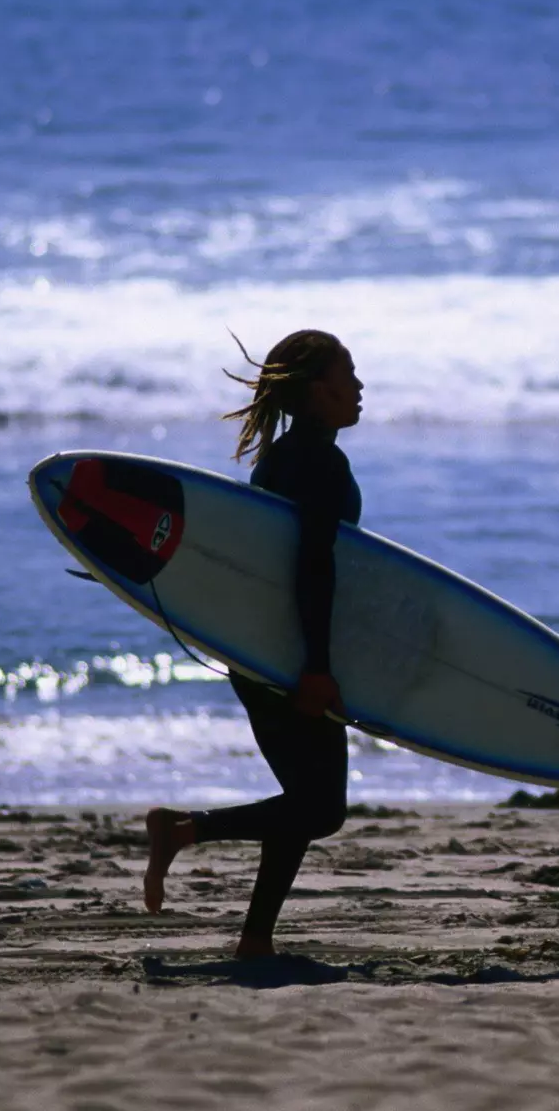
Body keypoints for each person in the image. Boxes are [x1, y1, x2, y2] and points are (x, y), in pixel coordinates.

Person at [142, 329, 363, 958]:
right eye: (347, 374)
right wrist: (315, 667)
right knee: (321, 809)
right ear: (316, 391)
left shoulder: (284, 457)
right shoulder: (319, 463)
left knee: (307, 800)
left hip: (258, 647)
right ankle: (181, 832)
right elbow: (311, 566)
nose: (358, 386)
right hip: (287, 653)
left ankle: (256, 939)